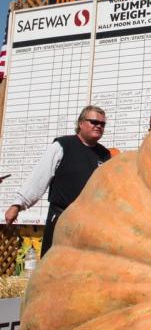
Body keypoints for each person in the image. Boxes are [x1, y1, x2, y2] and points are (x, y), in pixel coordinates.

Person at [4, 106, 111, 256]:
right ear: (81, 123)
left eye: (102, 124)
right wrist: (17, 204)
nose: (98, 126)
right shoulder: (62, 146)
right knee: (54, 269)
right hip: (61, 219)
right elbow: (39, 176)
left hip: (90, 224)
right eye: (94, 122)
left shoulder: (105, 155)